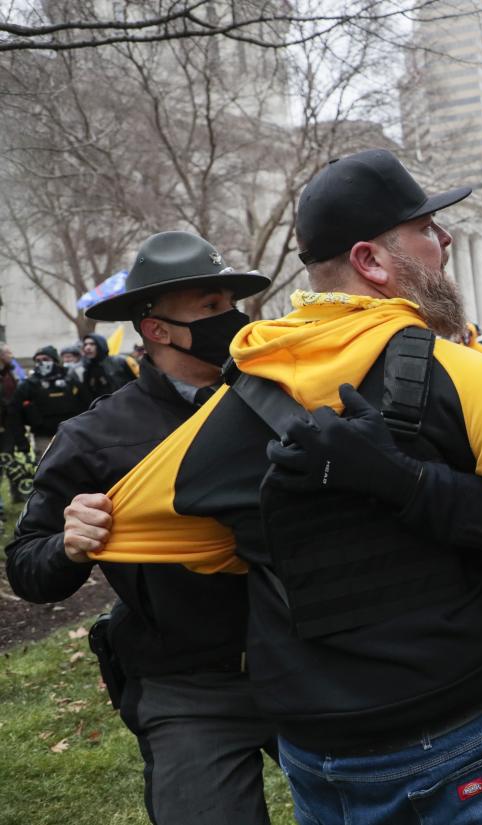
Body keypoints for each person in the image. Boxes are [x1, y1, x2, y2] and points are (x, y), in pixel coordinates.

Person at [89, 149, 482, 825]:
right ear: (373, 262)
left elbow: (154, 530)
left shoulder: (231, 409)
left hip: (322, 764)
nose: (447, 241)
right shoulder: (472, 379)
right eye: (426, 230)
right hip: (469, 751)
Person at [5, 230, 278, 825]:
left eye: (231, 304)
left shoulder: (281, 397)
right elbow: (26, 565)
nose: (229, 319)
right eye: (209, 308)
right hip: (188, 686)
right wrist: (69, 545)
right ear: (156, 328)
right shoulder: (94, 438)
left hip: (308, 661)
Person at [12, 345, 89, 456]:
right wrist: (22, 443)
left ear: (55, 361)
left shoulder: (70, 379)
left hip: (72, 435)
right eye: (38, 360)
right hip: (43, 438)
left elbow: (86, 404)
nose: (42, 363)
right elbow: (14, 413)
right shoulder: (29, 384)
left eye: (45, 359)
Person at [0, 342, 32, 509]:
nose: (11, 354)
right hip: (3, 424)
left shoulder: (11, 371)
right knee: (4, 459)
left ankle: (17, 493)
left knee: (11, 458)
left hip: (10, 425)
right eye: (7, 352)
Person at [80, 332, 139, 400]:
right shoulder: (86, 369)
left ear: (101, 344)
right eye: (85, 344)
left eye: (92, 344)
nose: (87, 347)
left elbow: (142, 382)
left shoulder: (123, 361)